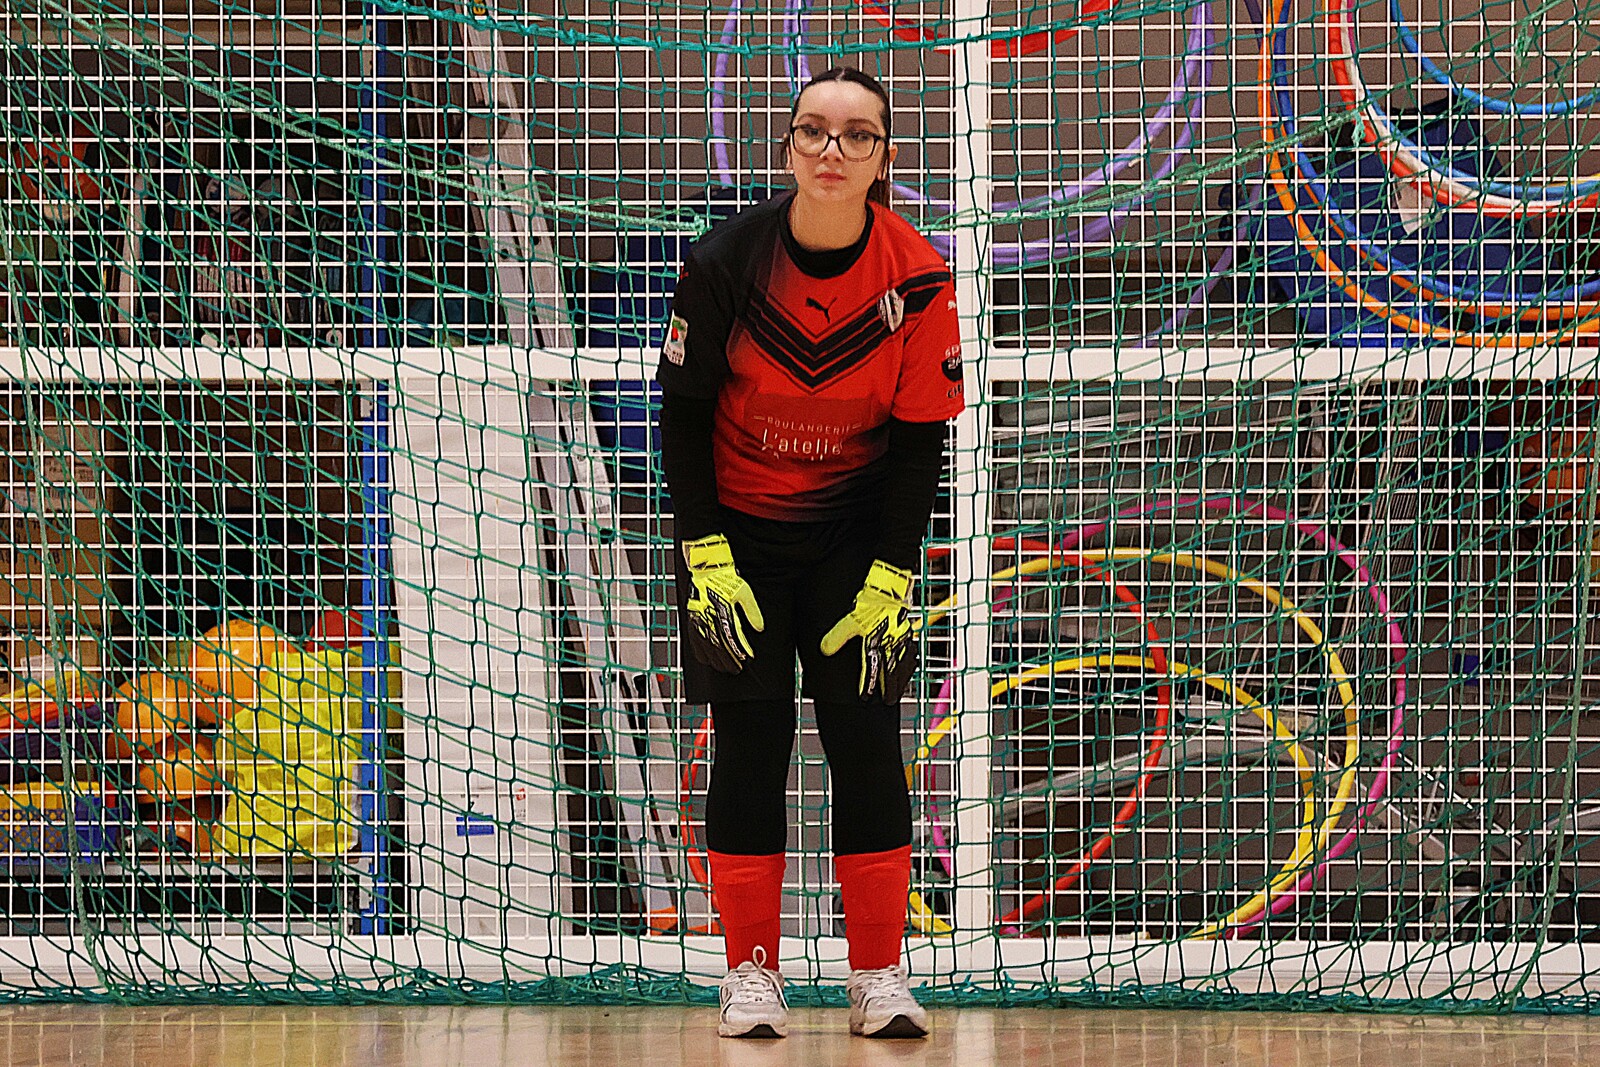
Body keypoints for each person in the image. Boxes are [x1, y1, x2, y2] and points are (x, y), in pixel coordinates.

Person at [655, 66, 964, 1039]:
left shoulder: (919, 276)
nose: (833, 149)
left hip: (856, 539)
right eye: (814, 131)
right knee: (751, 741)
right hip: (736, 541)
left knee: (865, 737)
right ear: (787, 147)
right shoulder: (722, 264)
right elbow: (682, 416)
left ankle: (878, 974)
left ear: (884, 158)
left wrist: (893, 570)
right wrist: (705, 552)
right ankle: (749, 976)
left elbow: (920, 440)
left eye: (857, 134)